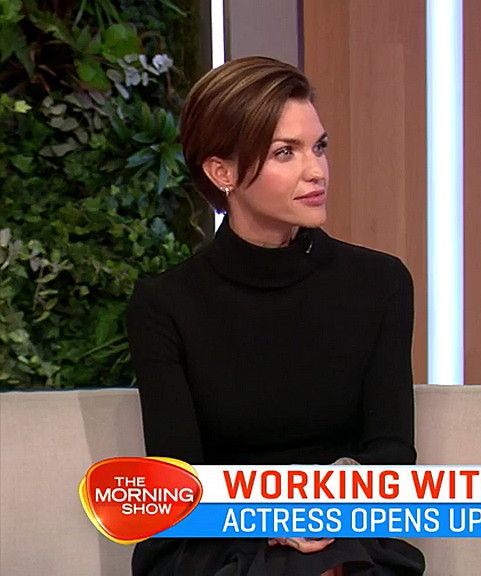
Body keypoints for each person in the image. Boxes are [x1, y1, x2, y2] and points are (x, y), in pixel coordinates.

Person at [126, 56, 425, 576]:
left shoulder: (380, 284)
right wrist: (269, 517)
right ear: (221, 172)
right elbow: (179, 481)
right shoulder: (165, 304)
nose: (316, 171)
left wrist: (328, 503)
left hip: (344, 526)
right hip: (213, 535)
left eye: (319, 147)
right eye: (286, 152)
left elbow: (392, 451)